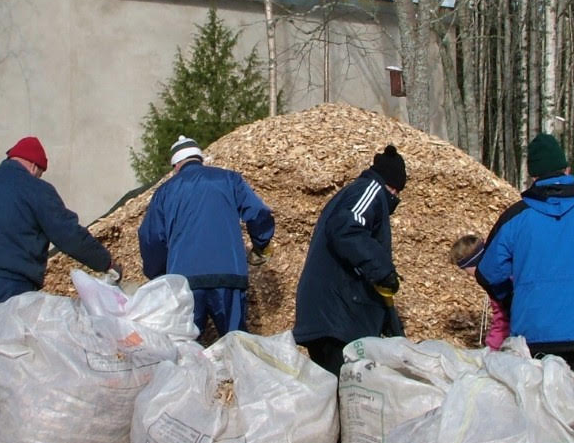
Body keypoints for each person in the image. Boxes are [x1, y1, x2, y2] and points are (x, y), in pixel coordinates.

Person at [0, 136, 119, 422]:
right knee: (14, 353)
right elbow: (67, 233)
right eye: (41, 171)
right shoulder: (34, 189)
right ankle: (13, 426)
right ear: (33, 166)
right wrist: (105, 261)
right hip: (9, 279)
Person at [476, 134, 574, 427]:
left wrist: (512, 299)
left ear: (533, 176)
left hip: (537, 335)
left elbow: (488, 271)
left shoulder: (516, 216)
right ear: (566, 169)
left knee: (541, 424)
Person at [138, 135, 275, 338]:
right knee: (237, 342)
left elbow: (151, 237)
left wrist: (157, 273)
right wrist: (260, 243)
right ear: (200, 159)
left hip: (185, 281)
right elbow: (258, 212)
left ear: (176, 166)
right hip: (229, 276)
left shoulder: (166, 191)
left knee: (184, 346)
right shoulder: (229, 179)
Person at [293, 144, 407, 377]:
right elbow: (346, 229)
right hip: (338, 315)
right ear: (391, 185)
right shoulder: (370, 190)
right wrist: (384, 270)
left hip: (330, 314)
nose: (396, 197)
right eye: (396, 191)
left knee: (336, 395)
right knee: (347, 393)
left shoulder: (353, 193)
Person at [451, 233, 509, 351]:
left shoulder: (495, 281)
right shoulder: (504, 266)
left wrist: (491, 348)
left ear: (470, 264)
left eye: (464, 269)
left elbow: (502, 319)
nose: (467, 275)